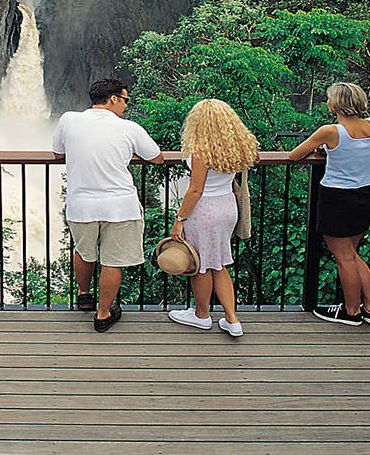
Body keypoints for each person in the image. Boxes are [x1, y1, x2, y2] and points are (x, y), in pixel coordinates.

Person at [52, 78, 164, 332]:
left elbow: (58, 153)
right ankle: (103, 315)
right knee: (112, 262)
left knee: (83, 250)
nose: (126, 106)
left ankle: (83, 295)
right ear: (113, 99)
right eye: (125, 100)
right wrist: (128, 154)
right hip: (120, 206)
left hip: (81, 205)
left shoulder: (68, 120)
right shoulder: (128, 128)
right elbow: (157, 157)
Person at [288, 82, 370, 326]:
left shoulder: (331, 131)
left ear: (335, 104)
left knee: (344, 258)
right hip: (363, 196)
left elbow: (294, 155)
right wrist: (358, 154)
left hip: (336, 199)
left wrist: (326, 149)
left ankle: (351, 312)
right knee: (352, 255)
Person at [167, 99, 259, 337]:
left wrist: (179, 219)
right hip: (226, 206)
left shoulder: (200, 151)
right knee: (219, 264)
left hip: (204, 210)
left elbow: (195, 190)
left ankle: (201, 316)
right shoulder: (236, 146)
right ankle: (232, 320)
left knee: (200, 265)